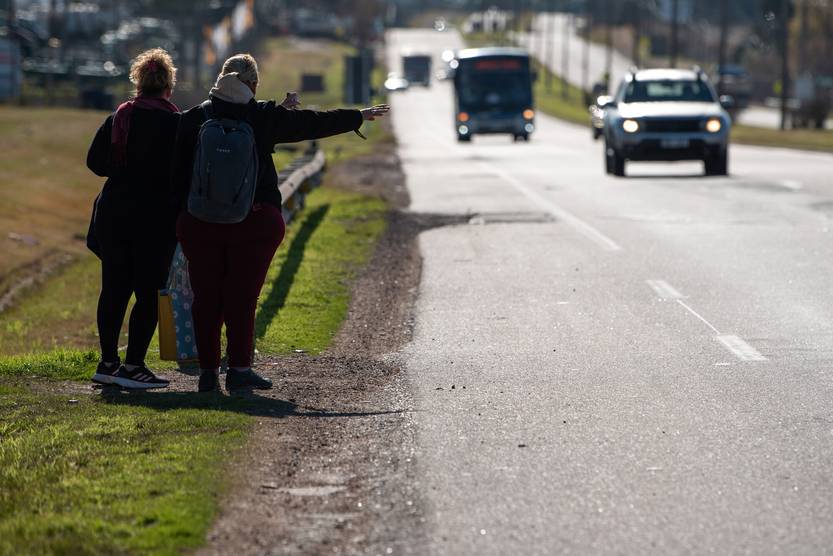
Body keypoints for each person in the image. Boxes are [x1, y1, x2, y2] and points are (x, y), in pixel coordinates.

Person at [172, 53, 389, 393]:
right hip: (254, 221)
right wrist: (357, 116)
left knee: (206, 297)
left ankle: (208, 373)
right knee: (242, 297)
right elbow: (314, 121)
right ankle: (240, 369)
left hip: (201, 224)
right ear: (253, 85)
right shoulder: (264, 117)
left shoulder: (194, 118)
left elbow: (177, 173)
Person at [86, 48, 180, 389]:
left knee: (113, 289)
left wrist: (122, 170)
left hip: (114, 215)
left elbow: (95, 163)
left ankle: (107, 363)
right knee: (149, 294)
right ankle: (134, 366)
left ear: (137, 83)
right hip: (153, 220)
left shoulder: (119, 117)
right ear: (168, 86)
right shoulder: (175, 123)